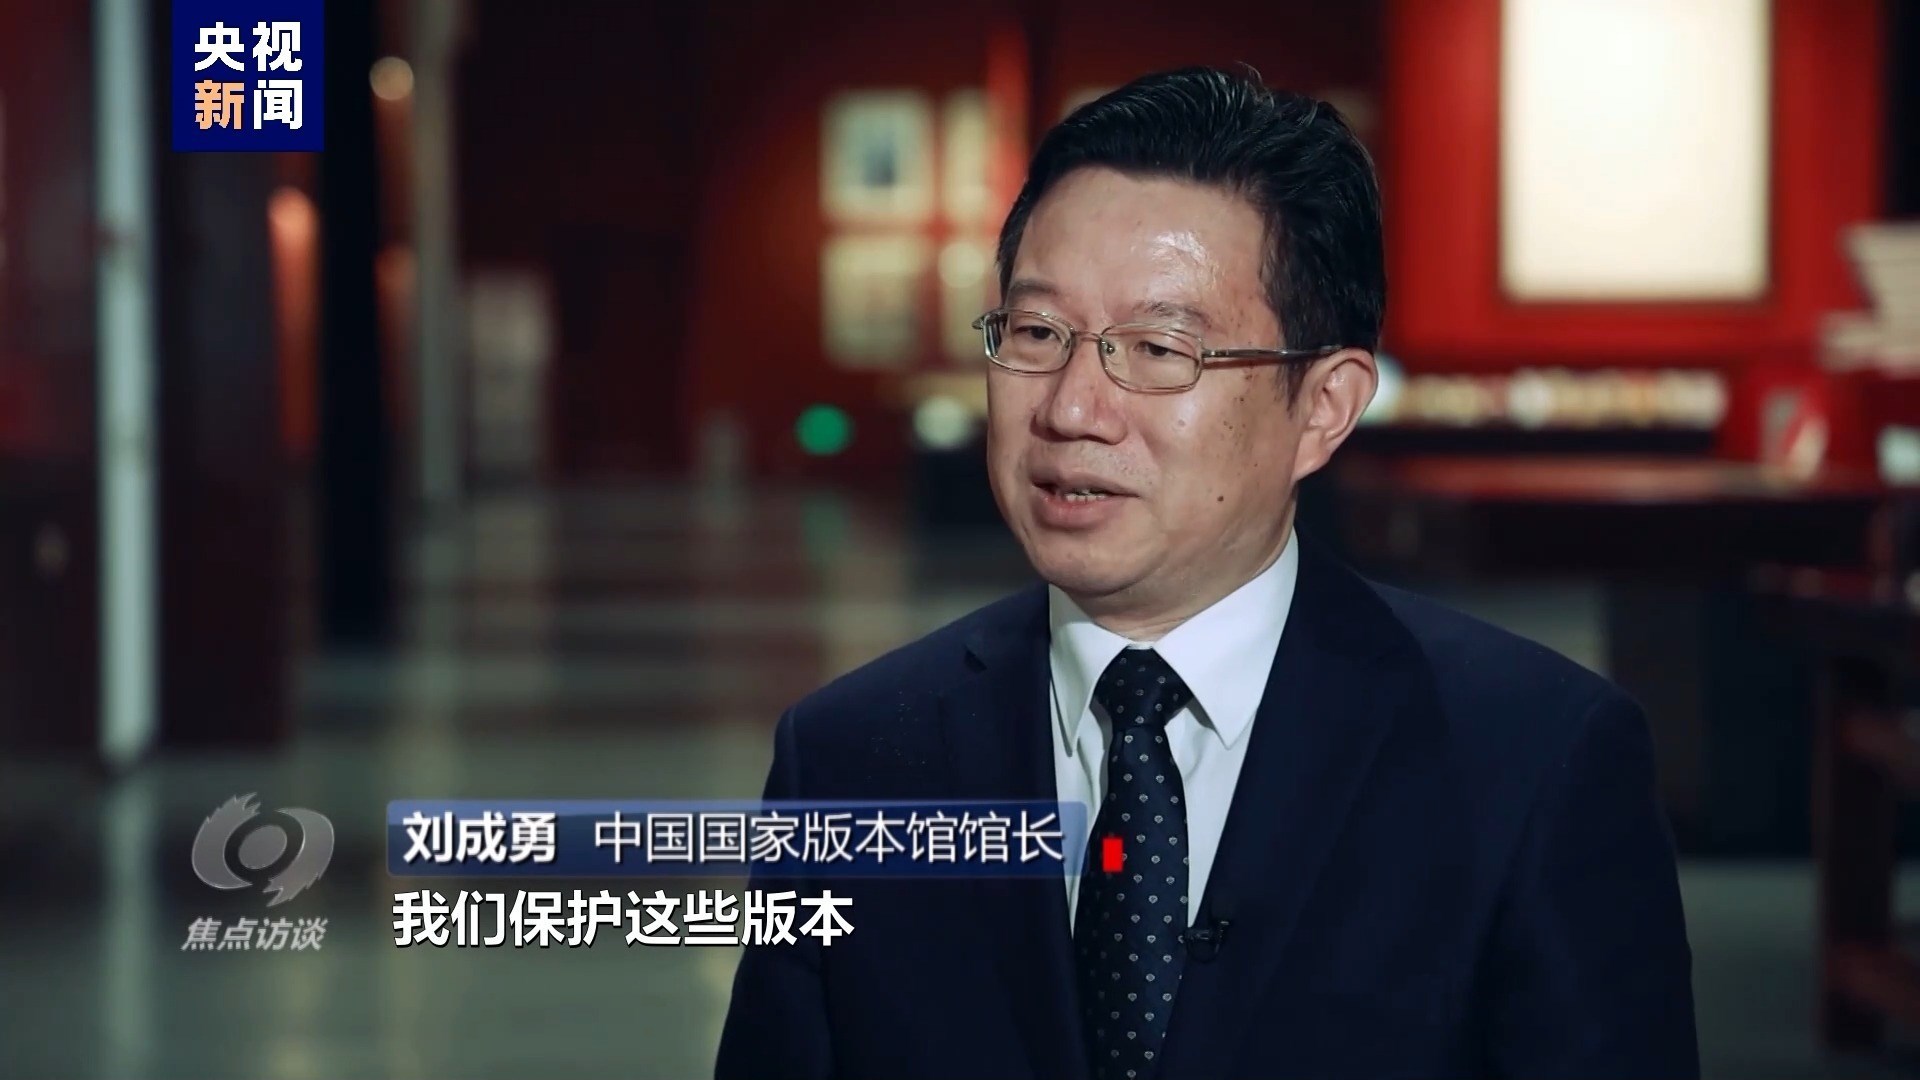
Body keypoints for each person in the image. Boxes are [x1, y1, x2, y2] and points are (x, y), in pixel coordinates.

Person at [716, 65, 1697, 1080]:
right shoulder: (849, 761)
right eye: (1039, 334)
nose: (1072, 408)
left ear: (1323, 407)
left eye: (1158, 349)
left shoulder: (1537, 762)